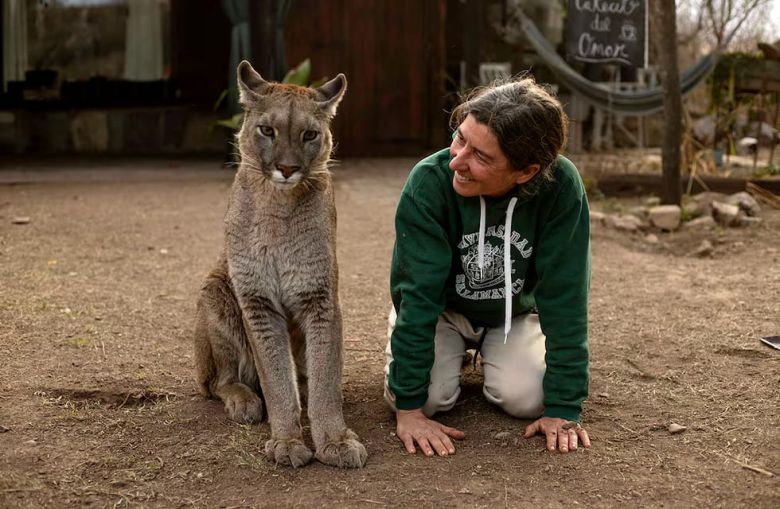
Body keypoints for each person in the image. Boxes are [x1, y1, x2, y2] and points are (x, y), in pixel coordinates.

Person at [384, 76, 591, 457]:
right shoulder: (428, 183)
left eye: (481, 157)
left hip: (512, 311)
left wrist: (564, 405)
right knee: (429, 399)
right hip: (441, 310)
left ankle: (495, 352)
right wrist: (409, 409)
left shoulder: (560, 187)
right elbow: (418, 295)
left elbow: (566, 295)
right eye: (461, 138)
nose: (456, 160)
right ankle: (442, 358)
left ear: (526, 171)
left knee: (527, 399)